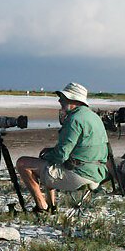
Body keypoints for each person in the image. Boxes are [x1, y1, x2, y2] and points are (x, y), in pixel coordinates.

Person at [15, 82, 109, 213]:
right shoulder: (94, 117)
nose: (60, 101)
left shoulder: (74, 119)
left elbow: (61, 155)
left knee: (23, 163)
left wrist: (47, 154)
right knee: (48, 164)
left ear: (73, 100)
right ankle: (51, 206)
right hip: (97, 173)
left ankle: (42, 207)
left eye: (63, 98)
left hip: (79, 175)